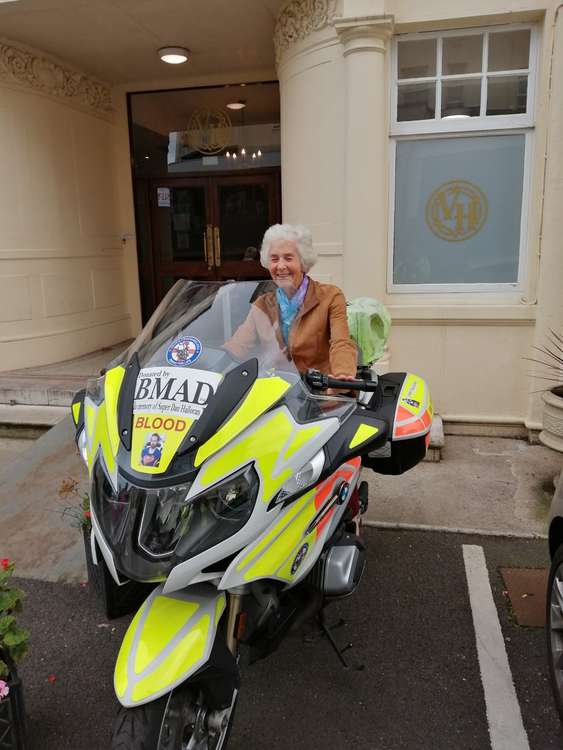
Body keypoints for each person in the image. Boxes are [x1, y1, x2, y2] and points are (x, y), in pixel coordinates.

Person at [224, 224, 357, 385]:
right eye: (274, 259)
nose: (280, 266)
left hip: (318, 394)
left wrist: (342, 375)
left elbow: (341, 342)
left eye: (288, 258)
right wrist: (210, 362)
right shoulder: (262, 304)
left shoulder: (330, 296)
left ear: (303, 262)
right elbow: (237, 346)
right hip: (275, 392)